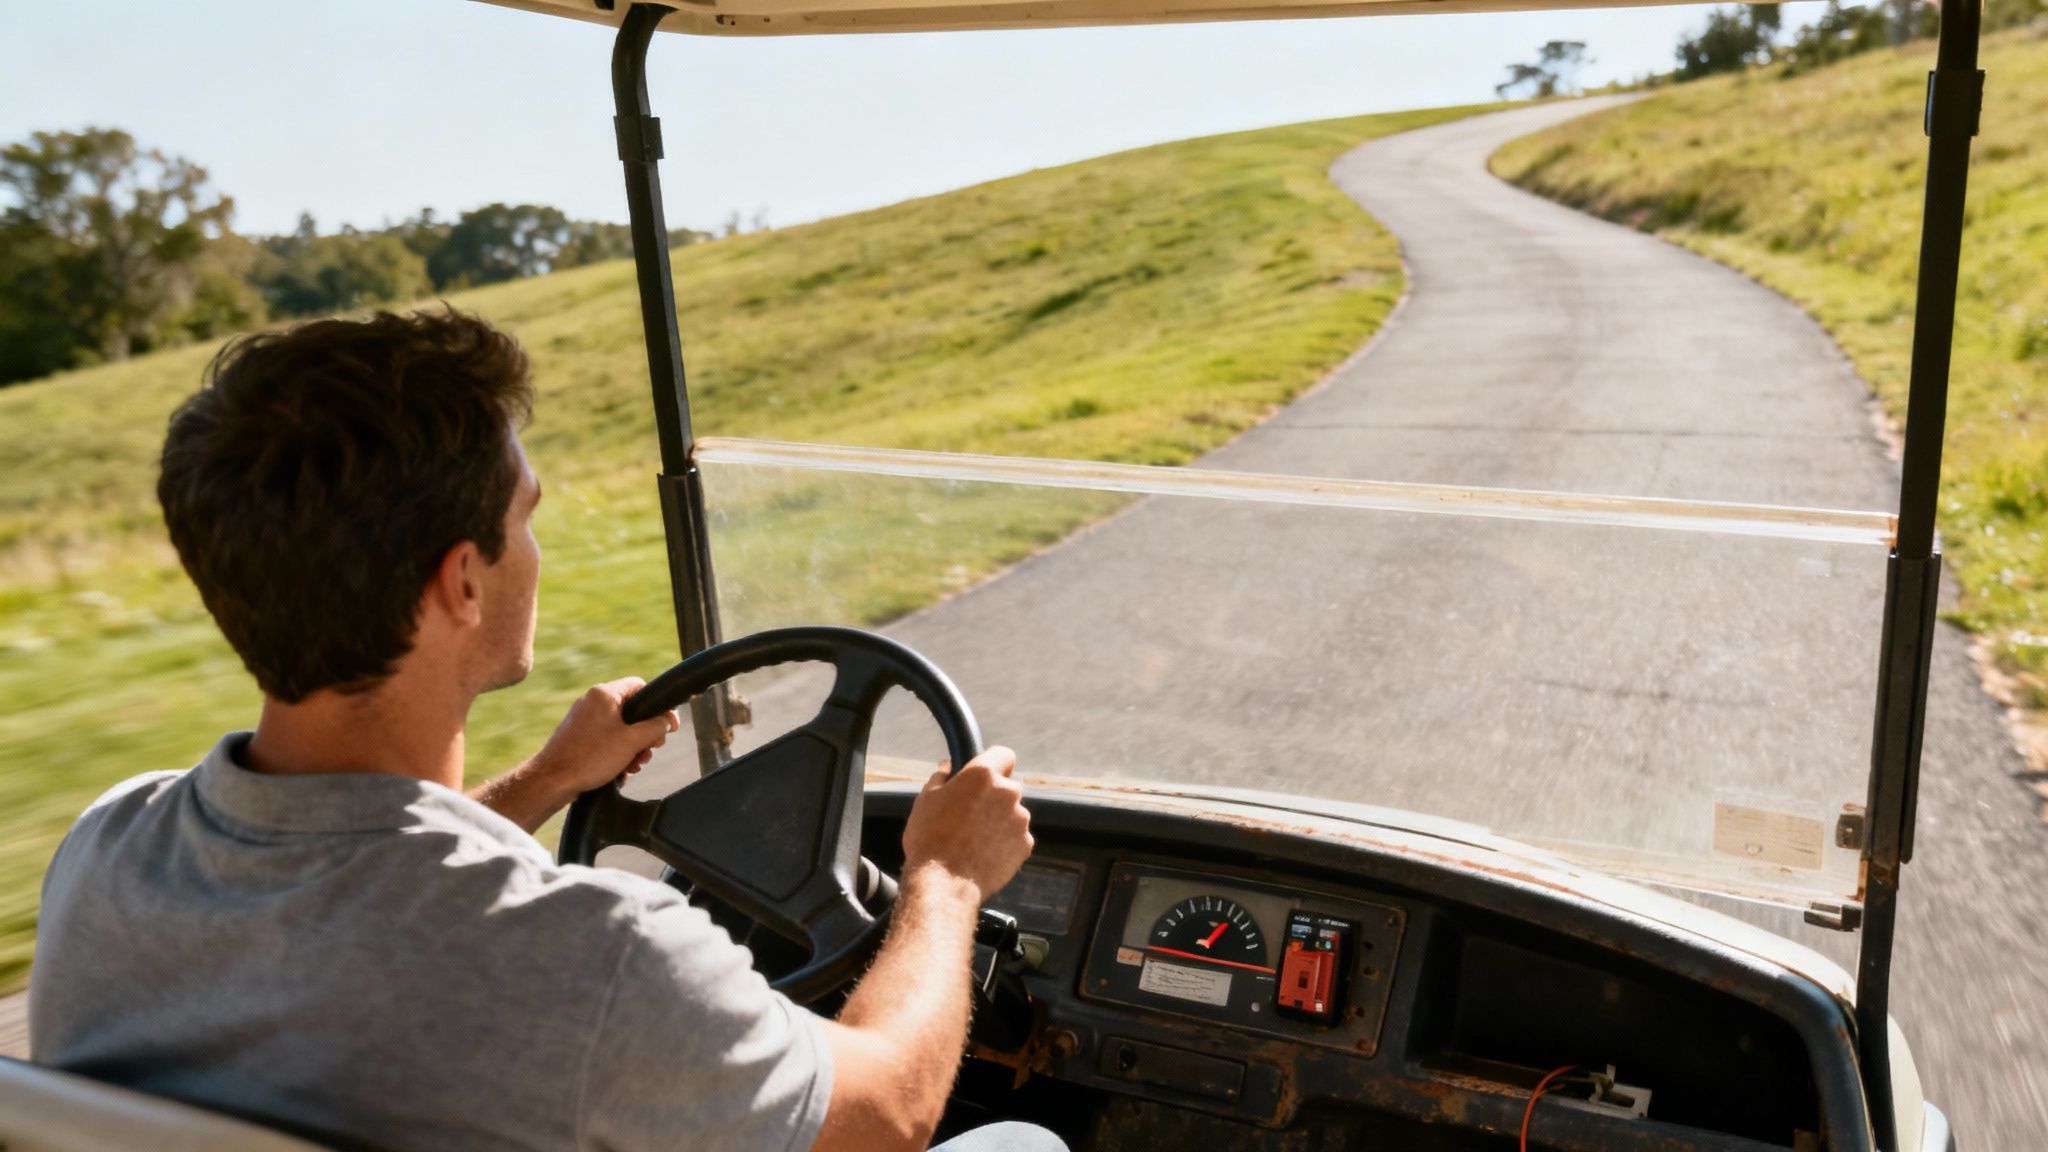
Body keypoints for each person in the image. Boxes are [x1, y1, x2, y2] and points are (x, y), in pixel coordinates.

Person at [28, 308, 1063, 1152]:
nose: (535, 546)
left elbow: (352, 886)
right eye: (524, 517)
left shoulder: (105, 855)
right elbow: (886, 1113)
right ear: (462, 580)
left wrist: (548, 779)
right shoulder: (594, 960)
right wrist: (945, 878)